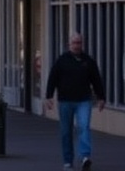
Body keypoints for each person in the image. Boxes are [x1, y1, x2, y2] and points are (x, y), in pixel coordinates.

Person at [45, 32, 106, 171]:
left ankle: (85, 157)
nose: (77, 46)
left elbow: (96, 79)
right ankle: (68, 162)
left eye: (79, 43)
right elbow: (53, 78)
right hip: (65, 101)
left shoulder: (88, 61)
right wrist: (49, 96)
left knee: (84, 127)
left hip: (84, 100)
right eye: (74, 43)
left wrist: (101, 97)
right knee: (66, 132)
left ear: (82, 44)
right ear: (69, 44)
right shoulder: (62, 60)